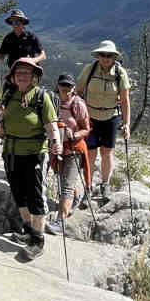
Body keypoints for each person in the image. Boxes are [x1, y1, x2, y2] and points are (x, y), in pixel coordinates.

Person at [0, 56, 61, 255]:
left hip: (34, 154)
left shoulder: (41, 97)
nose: (22, 76)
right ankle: (28, 230)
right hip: (11, 153)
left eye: (26, 73)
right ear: (13, 77)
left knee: (35, 196)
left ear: (34, 77)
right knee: (18, 194)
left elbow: (51, 125)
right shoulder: (8, 96)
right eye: (18, 73)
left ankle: (38, 240)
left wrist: (56, 143)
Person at [78, 40, 131, 205]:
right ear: (98, 55)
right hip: (90, 117)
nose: (106, 58)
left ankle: (105, 184)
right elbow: (78, 92)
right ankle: (87, 187)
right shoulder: (89, 69)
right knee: (91, 153)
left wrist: (126, 124)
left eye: (109, 55)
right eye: (103, 55)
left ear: (114, 57)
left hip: (111, 117)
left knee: (107, 153)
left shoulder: (120, 73)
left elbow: (125, 101)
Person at [47, 73, 91, 235]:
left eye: (68, 87)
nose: (65, 90)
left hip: (74, 149)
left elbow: (86, 128)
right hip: (57, 147)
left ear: (73, 88)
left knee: (65, 186)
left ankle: (61, 222)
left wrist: (75, 134)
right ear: (57, 86)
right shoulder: (52, 101)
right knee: (62, 179)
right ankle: (76, 199)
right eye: (62, 87)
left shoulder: (78, 105)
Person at [0, 9, 44, 101]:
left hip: (30, 74)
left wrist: (32, 60)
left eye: (18, 22)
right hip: (14, 74)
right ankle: (3, 112)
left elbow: (43, 55)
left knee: (31, 99)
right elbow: (1, 57)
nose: (15, 24)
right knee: (6, 99)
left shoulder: (31, 37)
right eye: (13, 22)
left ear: (23, 23)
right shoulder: (8, 38)